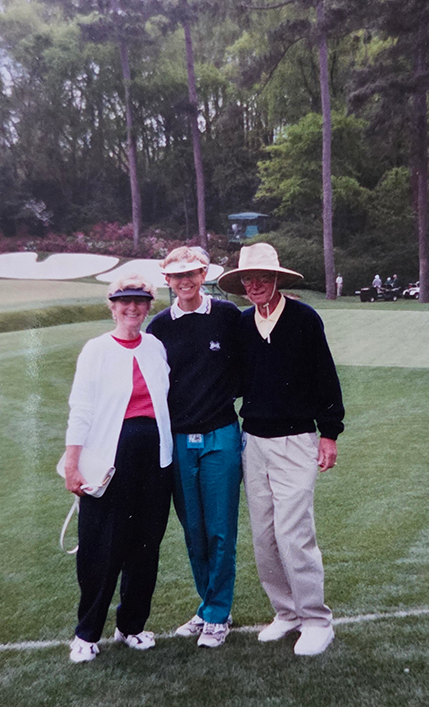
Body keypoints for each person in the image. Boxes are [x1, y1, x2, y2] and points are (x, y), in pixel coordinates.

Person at [218, 243, 345, 657]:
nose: (254, 285)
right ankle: (286, 612)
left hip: (296, 441)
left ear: (277, 280)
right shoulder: (241, 324)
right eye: (248, 280)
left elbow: (326, 379)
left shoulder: (305, 319)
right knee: (264, 535)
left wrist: (329, 433)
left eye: (263, 278)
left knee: (294, 532)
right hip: (253, 441)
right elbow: (235, 380)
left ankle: (316, 620)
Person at [63, 275, 174, 663]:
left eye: (140, 302)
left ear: (148, 307)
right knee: (101, 548)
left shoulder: (156, 347)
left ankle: (132, 626)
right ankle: (86, 633)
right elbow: (82, 409)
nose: (132, 308)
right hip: (109, 460)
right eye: (124, 301)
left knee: (145, 546)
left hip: (155, 459)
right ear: (112, 306)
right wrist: (72, 463)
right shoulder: (96, 351)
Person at [146, 247, 242, 649]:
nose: (184, 281)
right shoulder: (158, 328)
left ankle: (218, 614)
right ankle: (209, 605)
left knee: (221, 529)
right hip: (179, 441)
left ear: (204, 275)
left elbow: (246, 370)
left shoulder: (226, 316)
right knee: (195, 532)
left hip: (221, 435)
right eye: (176, 276)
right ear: (167, 280)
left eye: (191, 274)